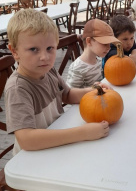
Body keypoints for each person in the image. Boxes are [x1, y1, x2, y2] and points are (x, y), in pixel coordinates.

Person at [5, 9, 110, 155]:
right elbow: (27, 139)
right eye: (34, 49)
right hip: (33, 157)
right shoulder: (18, 88)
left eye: (50, 48)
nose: (44, 57)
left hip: (56, 142)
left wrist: (90, 91)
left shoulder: (48, 71)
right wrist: (83, 133)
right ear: (14, 51)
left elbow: (66, 95)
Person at [66, 19, 119, 88]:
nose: (109, 47)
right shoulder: (77, 69)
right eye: (104, 43)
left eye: (109, 43)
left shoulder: (100, 60)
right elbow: (70, 95)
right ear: (89, 41)